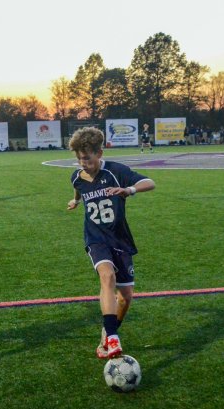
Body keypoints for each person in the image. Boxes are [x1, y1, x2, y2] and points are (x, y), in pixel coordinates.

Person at [66, 127, 155, 359]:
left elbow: (150, 182)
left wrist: (129, 190)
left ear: (100, 153)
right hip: (95, 239)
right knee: (107, 276)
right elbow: (78, 188)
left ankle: (107, 333)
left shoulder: (116, 171)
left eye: (86, 158)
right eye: (79, 159)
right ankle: (114, 339)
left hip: (120, 239)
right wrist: (75, 201)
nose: (82, 163)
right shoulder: (77, 176)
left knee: (125, 297)